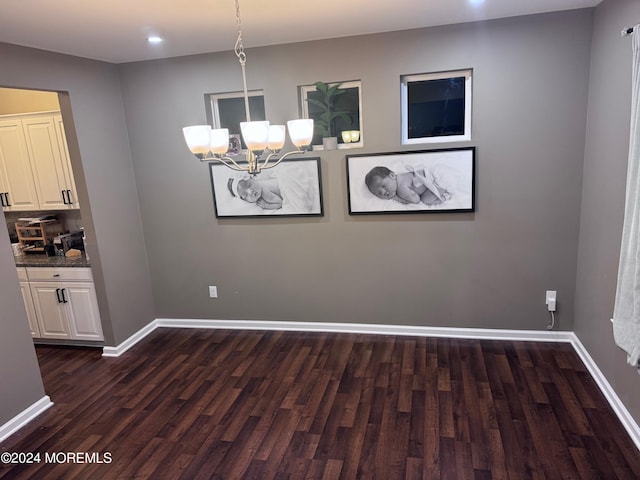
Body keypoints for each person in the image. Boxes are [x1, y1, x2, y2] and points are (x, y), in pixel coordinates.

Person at [364, 164, 453, 205]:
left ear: (392, 175)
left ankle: (443, 195)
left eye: (384, 186)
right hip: (433, 172)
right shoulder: (400, 176)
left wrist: (397, 198)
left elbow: (416, 200)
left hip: (435, 182)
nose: (383, 192)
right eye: (379, 193)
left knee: (425, 200)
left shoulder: (401, 188)